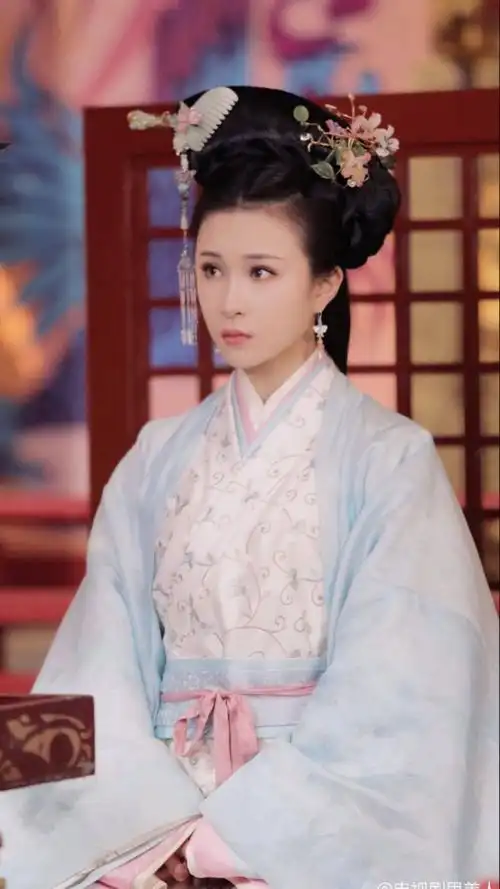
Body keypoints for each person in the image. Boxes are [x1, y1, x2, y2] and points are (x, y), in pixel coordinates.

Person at [0, 85, 498, 889]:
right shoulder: (158, 456)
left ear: (324, 283)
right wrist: (158, 839)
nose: (229, 301)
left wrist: (230, 839)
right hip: (150, 832)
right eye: (211, 269)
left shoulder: (388, 459)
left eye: (262, 271)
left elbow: (402, 689)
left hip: (315, 838)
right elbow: (96, 660)